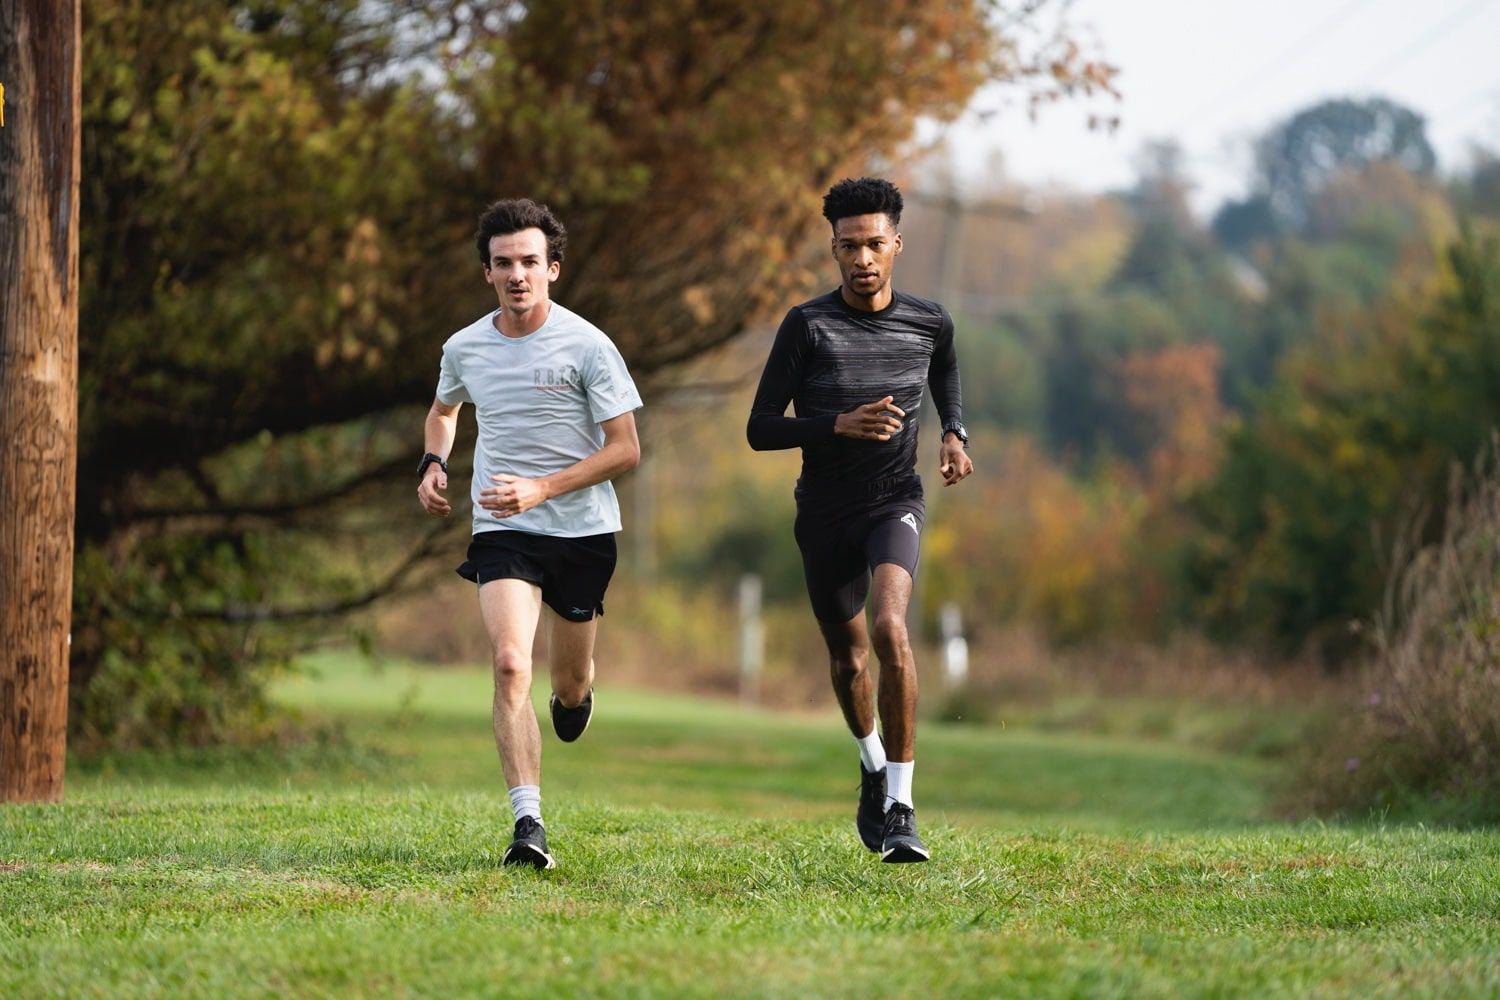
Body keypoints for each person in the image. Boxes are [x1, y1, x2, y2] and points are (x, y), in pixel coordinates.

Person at [747, 177, 973, 863]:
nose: (863, 258)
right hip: (822, 514)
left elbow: (946, 369)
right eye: (850, 247)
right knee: (848, 661)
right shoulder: (807, 326)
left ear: (897, 244)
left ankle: (902, 808)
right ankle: (873, 768)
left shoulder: (928, 322)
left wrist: (954, 431)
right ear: (835, 249)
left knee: (889, 628)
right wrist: (838, 424)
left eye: (875, 244)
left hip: (893, 500)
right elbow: (759, 429)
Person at [418, 198, 643, 870]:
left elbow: (627, 448)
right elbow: (443, 410)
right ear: (487, 272)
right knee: (511, 661)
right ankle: (528, 824)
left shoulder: (588, 345)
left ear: (554, 269)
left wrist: (544, 487)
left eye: (529, 261)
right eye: (503, 263)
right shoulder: (464, 346)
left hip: (581, 529)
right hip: (502, 524)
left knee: (567, 688)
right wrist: (434, 461)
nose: (517, 274)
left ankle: (576, 694)